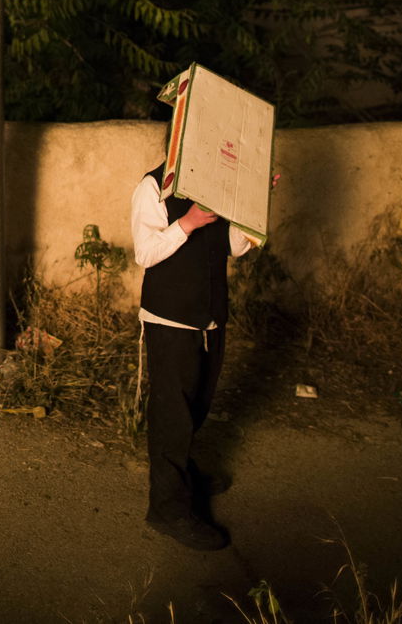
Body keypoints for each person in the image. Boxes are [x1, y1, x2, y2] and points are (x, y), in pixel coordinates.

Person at [130, 165, 276, 551]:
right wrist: (188, 223)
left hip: (210, 316)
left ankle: (184, 476)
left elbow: (232, 245)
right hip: (170, 318)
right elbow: (145, 253)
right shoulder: (154, 186)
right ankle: (167, 509)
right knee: (172, 415)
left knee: (196, 406)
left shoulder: (217, 182)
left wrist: (255, 204)